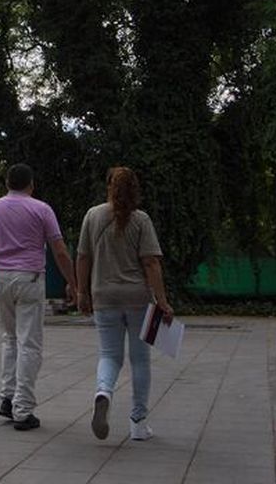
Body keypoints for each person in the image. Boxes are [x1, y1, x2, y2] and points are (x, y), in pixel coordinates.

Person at [0, 163, 77, 431]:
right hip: (29, 277)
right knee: (29, 344)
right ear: (31, 184)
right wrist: (74, 283)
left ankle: (7, 399)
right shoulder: (41, 209)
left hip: (1, 278)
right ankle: (23, 409)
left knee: (9, 339)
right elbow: (60, 250)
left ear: (7, 183)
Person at [76, 166, 172, 443]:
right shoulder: (141, 220)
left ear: (108, 187)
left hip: (103, 297)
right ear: (135, 189)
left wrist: (83, 293)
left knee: (109, 356)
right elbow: (151, 263)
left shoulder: (92, 216)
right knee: (140, 360)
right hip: (137, 299)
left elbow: (83, 257)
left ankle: (103, 392)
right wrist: (163, 302)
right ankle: (138, 424)